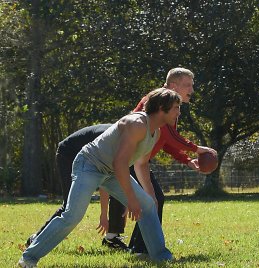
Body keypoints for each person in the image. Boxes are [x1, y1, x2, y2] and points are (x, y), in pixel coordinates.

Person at [18, 88, 179, 267]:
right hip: (89, 165)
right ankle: (29, 258)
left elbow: (140, 164)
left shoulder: (154, 132)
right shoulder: (137, 124)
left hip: (110, 172)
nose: (179, 113)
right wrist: (131, 199)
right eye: (175, 108)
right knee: (73, 215)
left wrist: (147, 196)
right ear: (161, 108)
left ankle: (161, 257)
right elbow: (120, 163)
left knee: (148, 205)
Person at [104, 67, 217, 254]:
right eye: (187, 85)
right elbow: (170, 135)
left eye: (192, 85)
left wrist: (187, 160)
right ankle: (140, 248)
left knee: (152, 200)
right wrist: (196, 149)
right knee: (152, 201)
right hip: (127, 160)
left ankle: (138, 247)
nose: (192, 90)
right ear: (173, 85)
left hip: (138, 161)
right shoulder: (157, 101)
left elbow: (165, 140)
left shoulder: (170, 105)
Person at [24, 124, 130, 251]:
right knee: (70, 205)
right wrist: (103, 215)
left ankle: (112, 237)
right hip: (68, 153)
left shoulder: (127, 137)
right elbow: (104, 181)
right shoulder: (115, 139)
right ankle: (36, 239)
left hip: (86, 156)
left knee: (118, 186)